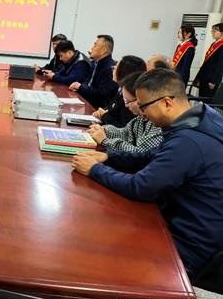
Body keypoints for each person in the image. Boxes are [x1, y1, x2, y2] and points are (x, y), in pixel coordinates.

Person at [72, 68, 223, 278]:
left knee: (101, 252)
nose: (142, 114)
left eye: (144, 107)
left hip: (189, 245)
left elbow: (141, 187)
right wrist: (109, 157)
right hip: (181, 221)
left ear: (167, 102)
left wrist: (94, 169)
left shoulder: (188, 141)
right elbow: (153, 154)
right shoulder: (202, 115)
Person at [87, 72, 163, 153]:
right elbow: (125, 133)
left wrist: (105, 141)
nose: (126, 105)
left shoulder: (160, 125)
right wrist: (104, 130)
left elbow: (139, 153)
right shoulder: (141, 118)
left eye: (127, 101)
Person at [92, 55, 146, 127]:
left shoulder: (130, 97)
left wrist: (104, 115)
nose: (113, 68)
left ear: (124, 72)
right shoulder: (120, 89)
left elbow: (123, 127)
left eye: (116, 67)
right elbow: (112, 109)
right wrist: (103, 112)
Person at [69, 34, 118, 109]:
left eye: (95, 45)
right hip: (87, 103)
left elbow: (101, 94)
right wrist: (79, 86)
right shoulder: (95, 63)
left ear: (103, 50)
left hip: (97, 109)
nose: (92, 48)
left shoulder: (109, 69)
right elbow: (88, 83)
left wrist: (81, 87)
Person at [194, 22, 223, 98]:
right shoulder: (214, 44)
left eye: (215, 31)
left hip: (211, 79)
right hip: (204, 76)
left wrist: (213, 81)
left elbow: (220, 65)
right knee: (201, 99)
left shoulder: (221, 45)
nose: (212, 32)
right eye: (212, 30)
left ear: (222, 32)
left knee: (207, 100)